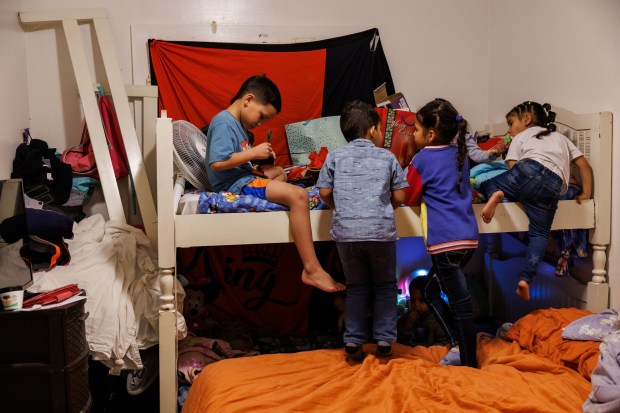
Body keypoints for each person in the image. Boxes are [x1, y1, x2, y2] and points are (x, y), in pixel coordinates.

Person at [206, 74, 345, 293]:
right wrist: (253, 152)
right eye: (261, 116)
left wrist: (257, 161)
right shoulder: (223, 121)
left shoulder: (238, 126)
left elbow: (236, 159)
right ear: (248, 99)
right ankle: (312, 268)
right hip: (235, 184)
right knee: (298, 196)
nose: (260, 123)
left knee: (280, 171)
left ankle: (285, 200)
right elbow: (216, 163)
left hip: (243, 176)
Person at [315, 100, 408, 361]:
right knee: (386, 286)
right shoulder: (387, 156)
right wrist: (386, 207)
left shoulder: (335, 155)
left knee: (356, 287)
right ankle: (385, 340)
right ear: (372, 130)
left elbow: (323, 192)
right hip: (380, 233)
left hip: (347, 234)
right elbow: (400, 195)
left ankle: (353, 342)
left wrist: (340, 206)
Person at [480, 101, 592, 301]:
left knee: (487, 184)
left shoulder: (521, 136)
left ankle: (497, 193)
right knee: (539, 234)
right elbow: (582, 164)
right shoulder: (560, 138)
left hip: (526, 170)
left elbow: (514, 166)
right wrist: (586, 193)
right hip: (553, 185)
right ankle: (525, 279)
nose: (508, 129)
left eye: (510, 123)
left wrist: (511, 188)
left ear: (526, 119)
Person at [403, 98, 479, 368]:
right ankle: (459, 344)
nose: (413, 134)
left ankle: (470, 363)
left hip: (446, 244)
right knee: (431, 291)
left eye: (416, 129)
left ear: (430, 135)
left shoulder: (422, 159)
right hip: (468, 239)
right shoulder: (459, 153)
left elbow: (410, 196)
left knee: (461, 306)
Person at [397, 275, 451, 347]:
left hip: (429, 354)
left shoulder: (439, 319)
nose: (416, 305)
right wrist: (407, 326)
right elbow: (399, 337)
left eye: (422, 300)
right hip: (411, 352)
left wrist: (429, 351)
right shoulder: (408, 316)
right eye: (413, 300)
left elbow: (445, 342)